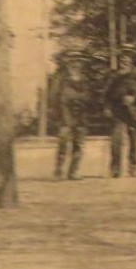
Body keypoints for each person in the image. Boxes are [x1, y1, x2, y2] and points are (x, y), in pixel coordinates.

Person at [104, 45, 136, 178]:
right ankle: (115, 168)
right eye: (123, 57)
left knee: (134, 138)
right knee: (116, 139)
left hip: (134, 110)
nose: (125, 60)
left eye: (128, 56)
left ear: (132, 59)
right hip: (117, 110)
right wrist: (107, 107)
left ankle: (133, 166)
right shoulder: (113, 75)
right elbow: (106, 93)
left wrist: (134, 97)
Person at [49, 52, 89, 180]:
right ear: (68, 63)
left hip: (81, 114)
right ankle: (59, 171)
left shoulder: (84, 79)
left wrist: (81, 99)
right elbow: (53, 96)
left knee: (79, 143)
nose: (76, 64)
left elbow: (88, 96)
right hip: (65, 114)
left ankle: (73, 171)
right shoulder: (60, 78)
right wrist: (56, 113)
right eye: (73, 61)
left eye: (78, 61)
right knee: (63, 142)